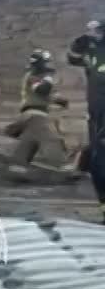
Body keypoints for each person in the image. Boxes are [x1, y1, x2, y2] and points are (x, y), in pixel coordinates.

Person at [68, 20, 105, 221]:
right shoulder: (91, 53)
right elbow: (72, 59)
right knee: (98, 165)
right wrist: (78, 43)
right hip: (95, 116)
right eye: (89, 30)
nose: (91, 33)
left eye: (94, 30)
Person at [6, 49, 70, 165]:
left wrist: (60, 101)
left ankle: (17, 166)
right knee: (51, 140)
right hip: (34, 114)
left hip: (34, 115)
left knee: (30, 141)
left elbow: (47, 96)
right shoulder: (32, 76)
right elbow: (42, 90)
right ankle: (62, 166)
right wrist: (49, 79)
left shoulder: (39, 77)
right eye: (47, 62)